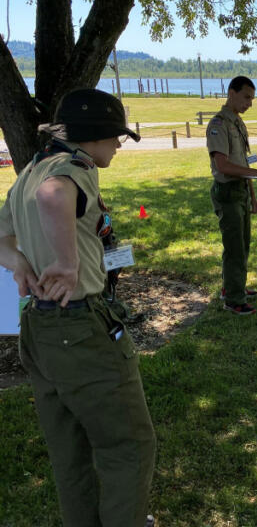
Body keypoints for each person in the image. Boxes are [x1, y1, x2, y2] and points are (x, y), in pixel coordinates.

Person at [0, 89, 156, 527]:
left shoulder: (33, 167)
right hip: (79, 327)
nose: (118, 147)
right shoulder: (71, 169)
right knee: (128, 445)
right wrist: (67, 263)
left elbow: (2, 235)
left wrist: (19, 266)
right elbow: (54, 196)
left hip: (39, 326)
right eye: (116, 138)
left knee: (69, 452)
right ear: (95, 136)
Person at [207, 76, 257, 315]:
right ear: (231, 92)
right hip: (227, 192)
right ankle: (233, 300)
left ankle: (233, 287)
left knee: (242, 244)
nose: (249, 103)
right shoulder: (219, 124)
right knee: (234, 247)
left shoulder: (238, 122)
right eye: (246, 97)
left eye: (252, 98)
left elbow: (243, 160)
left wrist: (253, 194)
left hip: (241, 192)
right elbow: (224, 166)